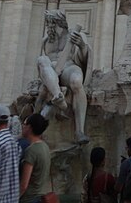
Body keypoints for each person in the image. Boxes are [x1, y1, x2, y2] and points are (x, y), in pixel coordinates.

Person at [36, 10, 92, 144]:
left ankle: (80, 131)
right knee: (42, 60)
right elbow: (42, 68)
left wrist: (82, 45)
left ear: (61, 23)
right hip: (51, 73)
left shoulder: (76, 35)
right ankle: (58, 96)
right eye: (49, 24)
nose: (50, 27)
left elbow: (84, 58)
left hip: (69, 68)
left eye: (53, 24)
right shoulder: (46, 41)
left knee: (77, 82)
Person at [20, 113, 52, 203]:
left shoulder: (31, 150)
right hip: (40, 196)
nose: (22, 126)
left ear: (29, 127)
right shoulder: (45, 146)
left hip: (29, 198)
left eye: (24, 124)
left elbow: (24, 184)